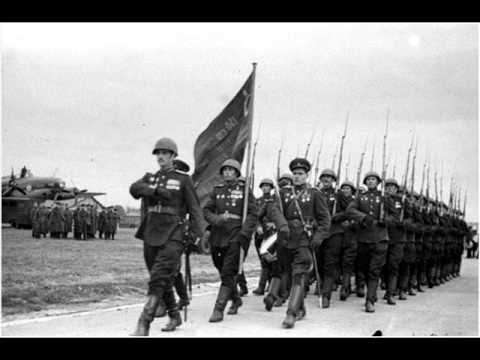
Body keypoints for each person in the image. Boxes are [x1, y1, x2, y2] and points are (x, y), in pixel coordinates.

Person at [130, 138, 203, 336]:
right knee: (162, 277)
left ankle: (144, 321)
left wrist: (197, 236)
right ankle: (174, 315)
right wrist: (154, 190)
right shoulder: (150, 178)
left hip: (174, 232)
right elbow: (134, 189)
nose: (160, 157)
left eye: (165, 153)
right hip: (151, 230)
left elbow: (195, 209)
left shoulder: (183, 179)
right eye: (158, 153)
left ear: (173, 156)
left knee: (160, 276)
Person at [277, 158, 330, 328]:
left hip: (304, 239)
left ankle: (291, 313)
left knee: (299, 274)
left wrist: (318, 238)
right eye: (295, 173)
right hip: (286, 239)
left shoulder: (314, 193)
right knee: (289, 273)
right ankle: (300, 307)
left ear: (307, 175)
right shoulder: (284, 193)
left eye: (300, 174)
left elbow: (324, 219)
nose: (297, 176)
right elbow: (277, 213)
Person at [204, 159, 257, 323]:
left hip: (237, 234)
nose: (227, 173)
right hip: (218, 234)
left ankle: (218, 309)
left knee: (229, 270)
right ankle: (235, 298)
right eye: (225, 170)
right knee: (220, 267)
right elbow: (206, 210)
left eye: (231, 170)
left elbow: (253, 213)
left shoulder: (245, 191)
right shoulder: (217, 190)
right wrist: (216, 219)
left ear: (237, 173)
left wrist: (245, 234)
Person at [345, 171, 389, 313]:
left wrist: (385, 220)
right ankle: (371, 292)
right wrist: (363, 217)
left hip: (380, 238)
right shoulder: (360, 198)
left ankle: (369, 301)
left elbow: (396, 216)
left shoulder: (384, 198)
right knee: (363, 268)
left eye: (373, 179)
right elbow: (349, 211)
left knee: (374, 270)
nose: (371, 182)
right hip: (363, 238)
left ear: (378, 182)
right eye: (368, 179)